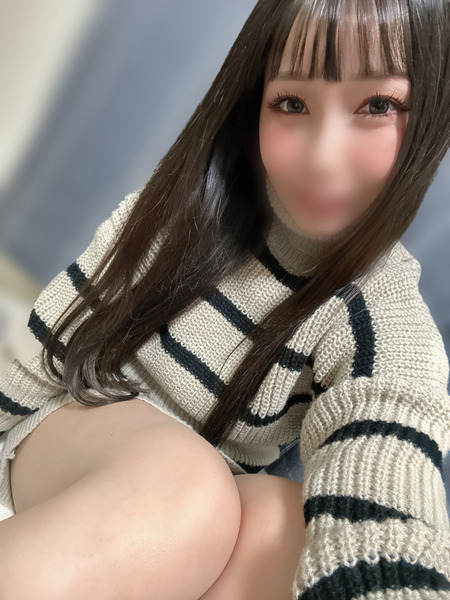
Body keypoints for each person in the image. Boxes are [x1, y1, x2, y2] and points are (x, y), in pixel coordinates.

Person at [0, 0, 449, 598]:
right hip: (75, 430)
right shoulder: (185, 209)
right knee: (188, 486)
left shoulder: (381, 316)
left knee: (289, 528)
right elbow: (60, 333)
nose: (322, 157)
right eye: (292, 103)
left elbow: (386, 486)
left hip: (194, 509)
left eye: (377, 106)